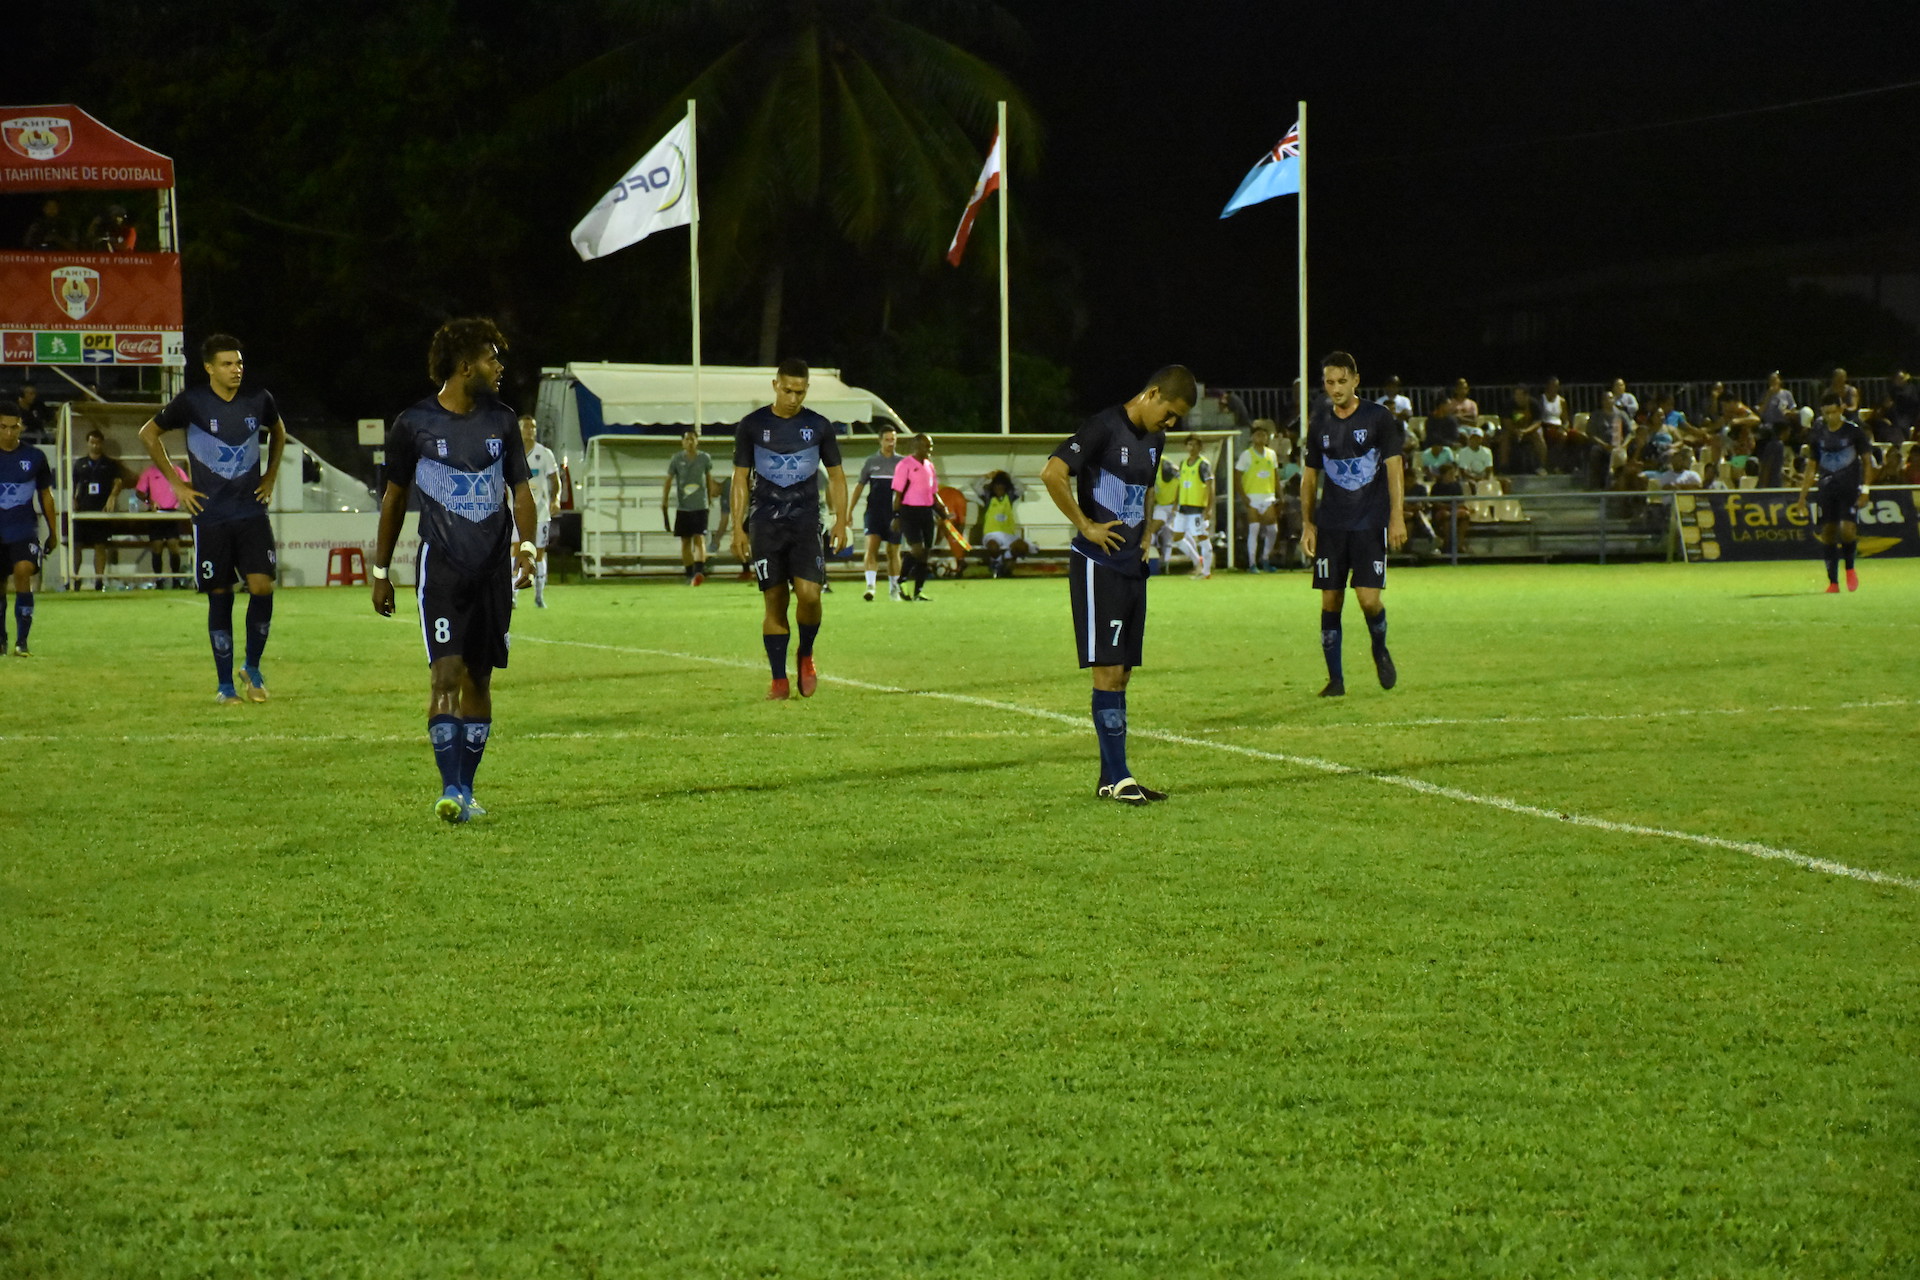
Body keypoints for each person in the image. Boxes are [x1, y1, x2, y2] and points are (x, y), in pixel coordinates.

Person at [371, 317, 537, 823]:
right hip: (441, 570)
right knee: (445, 674)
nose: (499, 366)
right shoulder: (413, 424)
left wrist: (526, 546)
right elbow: (395, 499)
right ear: (466, 367)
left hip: (491, 571)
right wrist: (381, 571)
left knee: (479, 680)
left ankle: (466, 787)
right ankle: (449, 789)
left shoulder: (503, 421)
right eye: (491, 358)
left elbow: (522, 491)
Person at [1040, 364, 1193, 805]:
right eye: (1169, 413)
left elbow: (1146, 489)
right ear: (1153, 393)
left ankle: (1114, 779)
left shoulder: (1156, 441)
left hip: (1131, 566)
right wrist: (1085, 525)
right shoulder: (1103, 426)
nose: (1170, 424)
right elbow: (1052, 472)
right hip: (1098, 564)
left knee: (1122, 672)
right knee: (1107, 670)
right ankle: (1120, 776)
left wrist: (1145, 534)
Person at [138, 334, 286, 701]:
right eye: (227, 364)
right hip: (211, 516)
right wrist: (178, 485)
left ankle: (252, 668)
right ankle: (224, 686)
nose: (236, 369)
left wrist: (269, 476)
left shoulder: (258, 399)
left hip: (251, 511)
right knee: (219, 597)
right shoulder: (192, 402)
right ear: (209, 368)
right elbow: (148, 433)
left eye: (238, 363)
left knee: (262, 586)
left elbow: (279, 431)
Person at [730, 359, 848, 699]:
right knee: (775, 599)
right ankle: (779, 679)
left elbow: (837, 474)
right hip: (765, 524)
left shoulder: (819, 426)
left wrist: (841, 519)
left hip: (806, 521)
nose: (793, 398)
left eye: (799, 391)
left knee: (810, 596)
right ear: (774, 385)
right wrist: (738, 528)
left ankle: (806, 652)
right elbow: (740, 477)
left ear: (807, 389)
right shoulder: (752, 426)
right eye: (787, 390)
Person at [1301, 351, 1406, 697]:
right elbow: (1309, 477)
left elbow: (1394, 468)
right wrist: (1308, 524)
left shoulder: (1379, 418)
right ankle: (1336, 680)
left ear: (1355, 380)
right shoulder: (1319, 425)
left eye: (1342, 381)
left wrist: (1396, 517)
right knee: (1330, 601)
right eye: (1330, 382)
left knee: (1368, 600)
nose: (1336, 388)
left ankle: (1379, 647)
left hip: (1368, 524)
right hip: (1332, 526)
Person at [1794, 396, 1872, 593]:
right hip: (1827, 489)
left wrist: (1865, 489)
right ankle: (1833, 583)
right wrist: (1802, 497)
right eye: (1826, 413)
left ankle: (1850, 569)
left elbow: (1867, 461)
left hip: (1849, 488)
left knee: (1847, 530)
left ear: (1842, 409)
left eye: (1833, 411)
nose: (1830, 416)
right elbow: (1812, 466)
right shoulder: (1818, 434)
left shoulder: (1853, 431)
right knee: (1828, 533)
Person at [0, 403, 56, 656]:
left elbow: (46, 495)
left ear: (21, 426)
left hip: (23, 530)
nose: (9, 433)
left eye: (14, 427)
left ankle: (22, 641)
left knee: (23, 571)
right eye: (3, 427)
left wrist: (54, 532)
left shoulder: (35, 457)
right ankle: (1, 638)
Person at [849, 426, 903, 600]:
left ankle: (894, 589)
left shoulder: (902, 463)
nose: (890, 443)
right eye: (887, 439)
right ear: (880, 440)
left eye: (893, 439)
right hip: (874, 512)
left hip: (894, 513)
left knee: (893, 551)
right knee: (871, 547)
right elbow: (859, 486)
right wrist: (849, 510)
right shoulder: (871, 461)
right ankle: (870, 586)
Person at [661, 427, 716, 588]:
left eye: (693, 439)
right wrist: (664, 500)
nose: (690, 442)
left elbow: (708, 477)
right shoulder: (676, 459)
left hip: (700, 505)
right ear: (682, 442)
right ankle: (689, 573)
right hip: (683, 506)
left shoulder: (705, 458)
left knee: (699, 538)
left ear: (697, 441)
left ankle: (699, 572)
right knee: (685, 541)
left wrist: (710, 496)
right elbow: (669, 480)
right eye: (687, 439)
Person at [72, 428, 126, 590]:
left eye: (97, 443)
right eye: (92, 442)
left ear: (101, 444)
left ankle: (99, 580)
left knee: (100, 545)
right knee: (77, 545)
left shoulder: (109, 464)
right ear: (87, 443)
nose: (95, 446)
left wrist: (112, 496)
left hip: (102, 510)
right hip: (83, 510)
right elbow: (73, 485)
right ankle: (75, 579)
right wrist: (73, 499)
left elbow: (118, 482)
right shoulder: (80, 463)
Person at [890, 432, 941, 602]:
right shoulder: (905, 465)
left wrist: (943, 511)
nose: (930, 449)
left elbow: (933, 493)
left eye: (931, 445)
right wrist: (896, 516)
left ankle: (918, 591)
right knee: (917, 549)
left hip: (926, 512)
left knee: (925, 553)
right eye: (927, 445)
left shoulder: (929, 466)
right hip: (909, 511)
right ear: (917, 445)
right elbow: (898, 494)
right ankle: (902, 579)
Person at [517, 414, 560, 604]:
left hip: (540, 512)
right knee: (516, 550)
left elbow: (554, 479)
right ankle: (513, 595)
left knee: (539, 552)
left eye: (533, 427)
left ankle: (539, 596)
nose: (530, 431)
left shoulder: (544, 453)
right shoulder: (512, 453)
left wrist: (556, 499)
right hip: (517, 511)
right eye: (526, 427)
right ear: (518, 430)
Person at [1236, 420, 1282, 571]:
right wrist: (1243, 496)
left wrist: (1279, 494)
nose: (1261, 438)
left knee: (1272, 530)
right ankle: (1252, 563)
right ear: (1252, 438)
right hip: (1253, 496)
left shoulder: (1271, 454)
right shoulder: (1246, 455)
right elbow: (1237, 476)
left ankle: (1265, 558)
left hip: (1268, 496)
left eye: (1263, 435)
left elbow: (1275, 476)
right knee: (1254, 529)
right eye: (1257, 435)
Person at [1169, 433, 1215, 577]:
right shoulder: (1183, 463)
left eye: (1195, 445)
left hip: (1197, 507)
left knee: (1201, 536)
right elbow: (1180, 484)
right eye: (1190, 444)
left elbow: (1209, 486)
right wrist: (1175, 502)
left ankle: (1206, 571)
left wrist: (1209, 508)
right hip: (1183, 507)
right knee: (1176, 537)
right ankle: (1197, 562)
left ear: (1200, 447)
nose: (1192, 447)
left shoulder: (1203, 464)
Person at [976, 471, 1027, 577]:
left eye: (1001, 486)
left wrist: (1009, 476)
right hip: (991, 533)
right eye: (996, 486)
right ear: (993, 487)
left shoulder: (1009, 498)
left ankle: (1008, 557)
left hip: (1008, 534)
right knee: (993, 547)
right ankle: (996, 563)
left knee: (1023, 547)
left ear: (1005, 487)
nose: (999, 489)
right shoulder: (988, 498)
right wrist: (986, 476)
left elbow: (1021, 488)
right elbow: (975, 486)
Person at [1498, 385, 1546, 475]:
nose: (1517, 397)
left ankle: (1541, 466)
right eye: (1516, 395)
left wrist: (1525, 431)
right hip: (1513, 431)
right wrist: (1516, 431)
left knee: (1539, 437)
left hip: (1529, 431)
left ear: (1526, 396)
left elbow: (1537, 423)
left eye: (1520, 395)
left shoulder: (1534, 404)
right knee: (1504, 438)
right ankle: (1503, 467)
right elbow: (1507, 423)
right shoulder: (1509, 405)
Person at [1871, 370, 1917, 444]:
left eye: (1901, 378)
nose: (1899, 380)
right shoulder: (1890, 390)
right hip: (1891, 414)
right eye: (1897, 378)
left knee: (1901, 425)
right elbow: (1881, 405)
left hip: (1906, 415)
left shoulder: (1911, 389)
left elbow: (1913, 404)